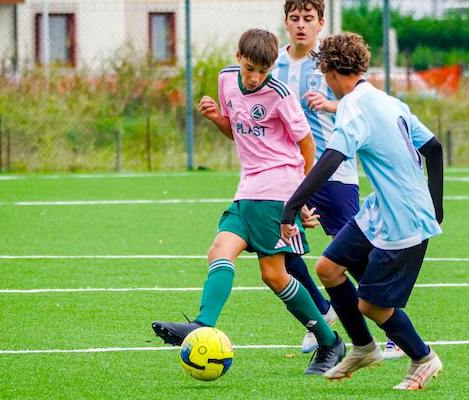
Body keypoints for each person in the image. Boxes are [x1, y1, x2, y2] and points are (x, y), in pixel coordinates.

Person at [151, 28, 345, 375]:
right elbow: (236, 129)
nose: (255, 78)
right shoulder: (227, 80)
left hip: (277, 188)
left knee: (273, 274)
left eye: (263, 71)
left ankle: (329, 341)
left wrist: (301, 198)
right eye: (250, 68)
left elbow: (307, 147)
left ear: (272, 68)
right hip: (247, 188)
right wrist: (215, 119)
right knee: (219, 250)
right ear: (238, 58)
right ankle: (201, 323)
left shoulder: (280, 94)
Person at [280, 33, 445, 389]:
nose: (327, 83)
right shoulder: (388, 101)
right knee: (328, 268)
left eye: (325, 75)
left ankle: (423, 357)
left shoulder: (354, 105)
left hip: (403, 218)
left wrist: (292, 204)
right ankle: (364, 347)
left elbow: (332, 157)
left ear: (332, 72)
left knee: (371, 305)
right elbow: (434, 148)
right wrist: (437, 203)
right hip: (382, 210)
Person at [274, 0, 367, 355]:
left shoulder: (330, 62)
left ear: (320, 23)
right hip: (290, 172)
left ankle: (393, 328)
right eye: (294, 18)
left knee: (354, 254)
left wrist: (330, 105)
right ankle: (321, 312)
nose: (301, 25)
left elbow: (364, 101)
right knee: (281, 249)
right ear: (285, 22)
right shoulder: (275, 63)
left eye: (308, 19)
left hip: (334, 170)